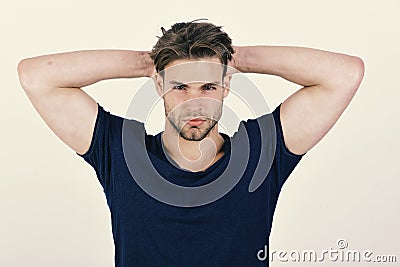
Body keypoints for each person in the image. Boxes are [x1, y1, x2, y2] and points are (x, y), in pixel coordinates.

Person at [17, 20, 364, 266]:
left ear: (226, 86)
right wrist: (146, 62)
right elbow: (36, 75)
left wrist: (233, 57)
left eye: (208, 87)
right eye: (180, 87)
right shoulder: (123, 152)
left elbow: (345, 73)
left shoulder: (261, 153)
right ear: (159, 86)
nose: (194, 103)